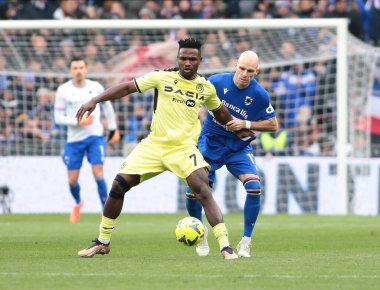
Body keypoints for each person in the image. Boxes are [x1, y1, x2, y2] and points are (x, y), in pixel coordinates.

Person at [75, 38, 254, 260]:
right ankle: (102, 241)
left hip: (183, 148)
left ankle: (225, 247)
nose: (187, 62)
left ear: (200, 61)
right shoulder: (161, 77)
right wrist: (95, 100)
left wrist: (239, 129)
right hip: (154, 144)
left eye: (192, 59)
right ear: (178, 58)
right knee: (118, 186)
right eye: (183, 58)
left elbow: (221, 113)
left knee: (204, 190)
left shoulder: (205, 87)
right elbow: (127, 87)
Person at [185, 50, 278, 258]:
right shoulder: (217, 82)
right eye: (242, 68)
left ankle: (246, 240)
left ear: (257, 71)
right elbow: (192, 99)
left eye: (250, 71)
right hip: (210, 142)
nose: (244, 74)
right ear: (235, 64)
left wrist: (246, 124)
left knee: (254, 186)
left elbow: (273, 124)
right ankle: (200, 233)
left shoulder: (260, 95)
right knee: (192, 191)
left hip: (238, 147)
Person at [54, 57, 119, 224]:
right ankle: (78, 203)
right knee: (72, 180)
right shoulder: (63, 90)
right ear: (70, 70)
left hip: (94, 136)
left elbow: (107, 107)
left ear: (86, 69)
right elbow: (58, 118)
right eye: (75, 67)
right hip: (74, 140)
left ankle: (105, 209)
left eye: (81, 67)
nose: (78, 70)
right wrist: (77, 121)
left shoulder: (95, 87)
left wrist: (112, 128)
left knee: (98, 173)